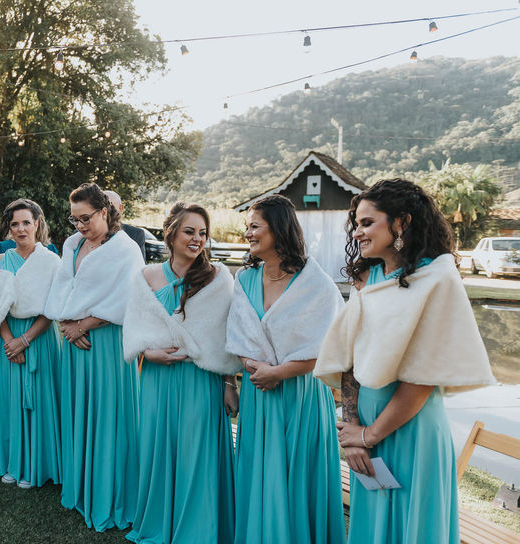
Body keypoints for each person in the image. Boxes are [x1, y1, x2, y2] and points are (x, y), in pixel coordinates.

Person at [314, 179, 495, 544]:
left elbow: (423, 377)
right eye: (356, 223)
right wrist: (353, 432)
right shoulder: (368, 277)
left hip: (411, 430)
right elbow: (348, 358)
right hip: (365, 431)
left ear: (401, 223)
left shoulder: (437, 278)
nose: (357, 232)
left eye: (368, 222)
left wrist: (370, 435)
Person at [225, 195, 346, 544]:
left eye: (254, 226)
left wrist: (278, 373)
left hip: (301, 393)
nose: (248, 233)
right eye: (248, 226)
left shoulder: (315, 283)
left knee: (298, 473)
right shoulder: (245, 279)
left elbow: (330, 347)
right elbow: (238, 336)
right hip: (259, 391)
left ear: (278, 229)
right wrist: (254, 368)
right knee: (261, 470)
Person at [122, 203, 238, 544]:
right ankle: (159, 523)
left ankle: (199, 529)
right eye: (189, 231)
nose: (197, 239)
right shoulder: (145, 277)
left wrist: (229, 383)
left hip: (200, 379)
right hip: (157, 379)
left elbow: (226, 337)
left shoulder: (218, 278)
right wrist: (148, 353)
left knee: (196, 452)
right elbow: (133, 329)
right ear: (170, 234)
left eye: (202, 233)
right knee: (158, 449)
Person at [43, 182, 143, 532]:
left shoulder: (125, 249)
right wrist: (65, 323)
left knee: (108, 415)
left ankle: (110, 492)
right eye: (74, 219)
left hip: (106, 343)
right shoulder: (72, 244)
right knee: (79, 412)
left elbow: (128, 299)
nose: (80, 225)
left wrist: (83, 325)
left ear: (104, 212)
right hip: (74, 344)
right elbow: (62, 289)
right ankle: (82, 486)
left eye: (86, 218)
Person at [0, 198, 62, 489]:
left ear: (37, 224)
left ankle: (38, 465)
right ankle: (14, 462)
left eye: (26, 223)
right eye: (14, 224)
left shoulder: (51, 261)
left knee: (41, 400)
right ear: (9, 228)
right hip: (9, 339)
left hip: (40, 337)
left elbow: (53, 307)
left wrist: (26, 340)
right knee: (12, 400)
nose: (20, 229)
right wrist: (11, 342)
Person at [104, 190, 146, 259]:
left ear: (121, 208)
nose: (105, 211)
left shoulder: (136, 234)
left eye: (109, 205)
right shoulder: (88, 233)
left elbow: (139, 264)